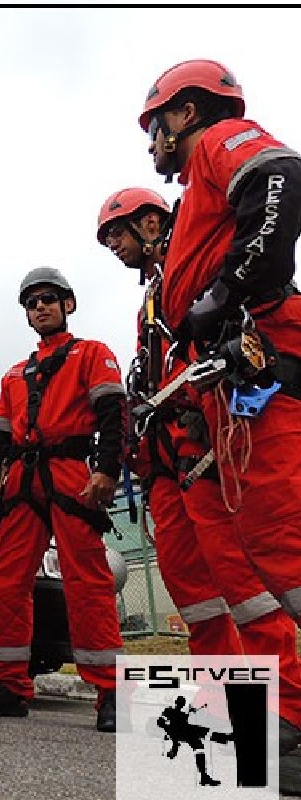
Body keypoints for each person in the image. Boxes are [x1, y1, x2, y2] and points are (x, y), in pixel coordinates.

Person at [138, 58, 301, 779]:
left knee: (282, 546)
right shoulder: (198, 188)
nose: (153, 146)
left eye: (155, 127)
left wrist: (229, 289)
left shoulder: (219, 139)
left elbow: (280, 180)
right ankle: (289, 717)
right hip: (229, 383)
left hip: (261, 359)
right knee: (265, 559)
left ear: (187, 112)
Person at [0, 267, 125, 728]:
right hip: (22, 481)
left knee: (88, 580)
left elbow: (114, 413)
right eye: (32, 303)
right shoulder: (16, 374)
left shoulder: (91, 354)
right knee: (3, 579)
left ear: (67, 304)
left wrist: (108, 470)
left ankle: (111, 691)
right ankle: (9, 685)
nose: (40, 308)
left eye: (49, 299)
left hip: (73, 475)